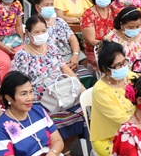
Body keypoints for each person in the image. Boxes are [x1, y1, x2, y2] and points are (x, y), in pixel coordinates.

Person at [12, 16, 86, 148]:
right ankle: (56, 149)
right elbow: (20, 82)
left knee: (83, 113)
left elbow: (64, 68)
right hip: (40, 100)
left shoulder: (51, 47)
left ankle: (64, 147)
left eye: (43, 31)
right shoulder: (23, 55)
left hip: (61, 93)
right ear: (28, 33)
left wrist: (80, 87)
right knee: (52, 120)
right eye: (37, 32)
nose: (41, 35)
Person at [90, 41, 138, 156]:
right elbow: (121, 118)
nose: (123, 68)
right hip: (110, 138)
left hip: (136, 129)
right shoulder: (101, 90)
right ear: (105, 69)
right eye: (118, 66)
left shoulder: (129, 77)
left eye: (124, 62)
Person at [105, 6, 141, 75]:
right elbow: (113, 66)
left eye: (138, 26)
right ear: (121, 25)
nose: (135, 29)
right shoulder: (112, 39)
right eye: (131, 27)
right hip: (123, 77)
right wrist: (134, 77)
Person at [81, 0, 118, 72]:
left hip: (118, 47)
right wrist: (110, 47)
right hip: (98, 51)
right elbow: (91, 41)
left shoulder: (115, 11)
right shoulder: (88, 14)